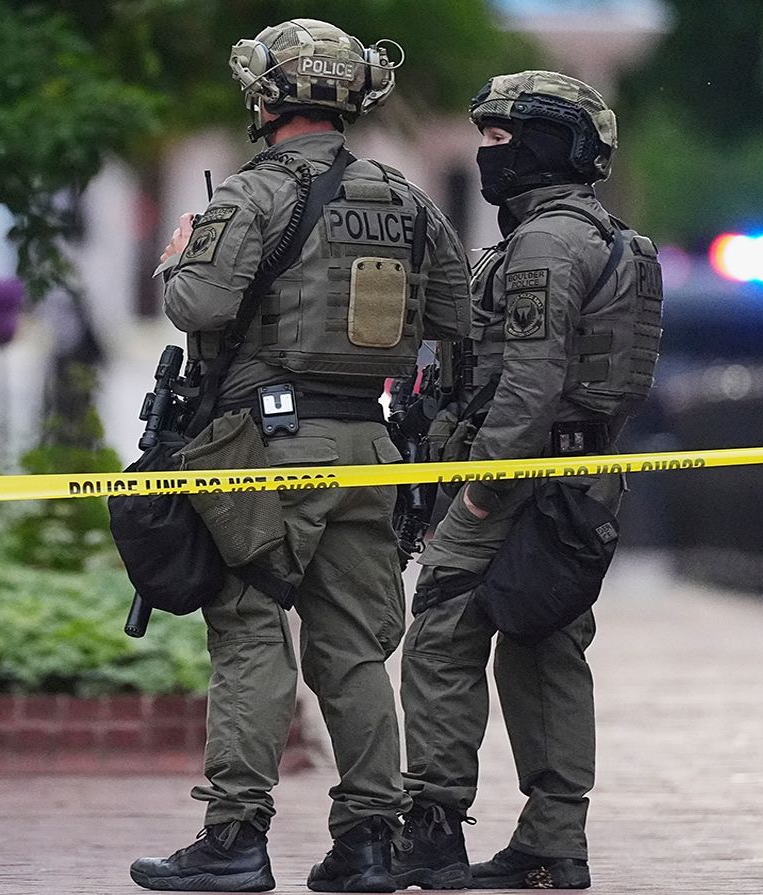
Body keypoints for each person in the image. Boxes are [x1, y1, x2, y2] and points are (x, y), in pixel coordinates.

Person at [129, 19, 472, 893]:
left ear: (267, 98)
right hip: (370, 445)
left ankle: (235, 835)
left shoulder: (250, 197)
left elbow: (196, 305)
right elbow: (456, 322)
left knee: (249, 630)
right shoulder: (405, 199)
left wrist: (174, 262)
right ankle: (368, 841)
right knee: (354, 648)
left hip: (266, 451)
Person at [392, 71, 662, 890]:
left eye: (504, 139)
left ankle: (433, 828)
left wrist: (476, 489)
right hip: (576, 478)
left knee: (441, 631)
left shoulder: (546, 245)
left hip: (516, 475)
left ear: (552, 146)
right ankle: (553, 841)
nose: (486, 153)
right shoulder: (608, 239)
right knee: (545, 646)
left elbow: (530, 382)